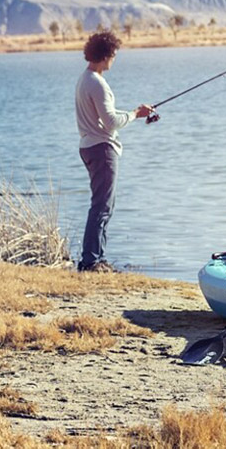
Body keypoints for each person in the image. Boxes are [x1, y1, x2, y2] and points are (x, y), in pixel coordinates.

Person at [75, 32, 154, 273]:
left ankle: (96, 257)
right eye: (114, 55)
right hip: (101, 149)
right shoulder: (97, 83)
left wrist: (132, 112)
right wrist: (134, 115)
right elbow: (110, 121)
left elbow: (105, 113)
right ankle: (90, 261)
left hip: (89, 146)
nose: (114, 60)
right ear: (105, 55)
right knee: (102, 206)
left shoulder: (85, 78)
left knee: (102, 205)